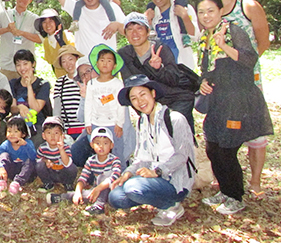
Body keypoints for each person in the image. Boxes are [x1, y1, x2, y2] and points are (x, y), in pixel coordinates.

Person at [196, 0, 273, 214]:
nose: (206, 16)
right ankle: (225, 190)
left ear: (221, 11)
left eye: (210, 10)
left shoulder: (233, 31)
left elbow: (250, 59)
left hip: (238, 98)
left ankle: (235, 196)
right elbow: (206, 69)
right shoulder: (205, 37)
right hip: (219, 99)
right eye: (201, 12)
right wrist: (203, 83)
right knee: (213, 146)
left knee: (228, 149)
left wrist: (225, 46)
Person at [207, 0, 270, 194]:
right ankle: (223, 178)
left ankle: (255, 181)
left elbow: (263, 42)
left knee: (255, 127)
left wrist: (243, 67)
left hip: (247, 77)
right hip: (221, 80)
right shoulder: (209, 10)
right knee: (222, 127)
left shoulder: (248, 6)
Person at [109, 75, 195, 227]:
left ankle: (171, 205)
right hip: (152, 178)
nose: (140, 101)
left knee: (132, 187)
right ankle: (151, 195)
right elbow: (141, 157)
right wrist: (128, 173)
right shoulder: (143, 121)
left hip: (174, 179)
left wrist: (158, 172)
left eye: (143, 94)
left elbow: (182, 155)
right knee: (116, 197)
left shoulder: (174, 119)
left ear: (153, 94)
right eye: (134, 98)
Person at [118, 12, 197, 133]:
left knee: (178, 137)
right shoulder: (124, 54)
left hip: (176, 99)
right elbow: (131, 87)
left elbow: (173, 80)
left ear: (148, 31)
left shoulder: (161, 49)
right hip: (151, 103)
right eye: (130, 29)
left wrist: (158, 69)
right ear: (125, 34)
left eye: (139, 28)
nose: (135, 33)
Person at [47, 127, 121, 216]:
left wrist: (98, 188)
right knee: (83, 194)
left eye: (105, 143)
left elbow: (114, 177)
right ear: (92, 145)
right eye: (97, 143)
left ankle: (99, 206)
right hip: (96, 190)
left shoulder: (115, 160)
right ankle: (61, 197)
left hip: (111, 192)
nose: (101, 146)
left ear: (111, 145)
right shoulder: (91, 160)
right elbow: (83, 177)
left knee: (103, 177)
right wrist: (78, 192)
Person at [84, 44, 132, 164]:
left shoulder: (117, 84)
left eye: (109, 60)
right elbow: (88, 103)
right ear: (97, 64)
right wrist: (88, 122)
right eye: (102, 60)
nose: (105, 63)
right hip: (96, 122)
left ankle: (119, 174)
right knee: (99, 151)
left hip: (113, 124)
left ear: (114, 65)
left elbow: (121, 105)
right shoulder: (92, 84)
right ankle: (100, 173)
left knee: (116, 151)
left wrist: (119, 123)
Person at [145, 0, 198, 68]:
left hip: (182, 62)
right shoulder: (151, 13)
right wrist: (145, 20)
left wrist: (185, 17)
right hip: (161, 65)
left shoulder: (184, 9)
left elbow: (195, 36)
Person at [0, 0, 41, 80]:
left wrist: (22, 33)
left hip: (26, 69)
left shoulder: (34, 19)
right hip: (7, 67)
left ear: (30, 0)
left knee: (27, 94)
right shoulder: (4, 15)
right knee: (5, 94)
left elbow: (40, 39)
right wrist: (7, 29)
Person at [9, 49, 51, 145]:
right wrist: (19, 107)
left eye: (25, 63)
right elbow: (12, 108)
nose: (22, 68)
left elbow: (35, 108)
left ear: (33, 64)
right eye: (18, 65)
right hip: (17, 126)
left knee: (33, 145)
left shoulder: (43, 84)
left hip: (37, 125)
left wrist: (29, 86)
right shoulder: (13, 83)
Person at [0, 116, 37, 195]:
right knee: (3, 155)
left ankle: (16, 184)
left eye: (16, 131)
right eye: (9, 131)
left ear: (23, 134)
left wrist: (26, 145)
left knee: (30, 161)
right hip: (10, 171)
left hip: (25, 173)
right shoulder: (6, 144)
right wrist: (0, 167)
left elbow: (34, 158)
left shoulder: (27, 143)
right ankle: (1, 182)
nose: (12, 134)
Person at [36, 117, 77, 193]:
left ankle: (68, 184)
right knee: (39, 165)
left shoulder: (65, 147)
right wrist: (46, 161)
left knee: (72, 168)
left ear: (62, 136)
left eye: (56, 133)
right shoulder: (42, 148)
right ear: (44, 136)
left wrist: (61, 149)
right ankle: (48, 183)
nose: (52, 136)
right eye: (49, 133)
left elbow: (67, 164)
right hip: (51, 172)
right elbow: (38, 159)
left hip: (63, 172)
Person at [52, 46, 85, 140]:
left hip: (85, 130)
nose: (68, 64)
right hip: (67, 132)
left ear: (77, 59)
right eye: (64, 61)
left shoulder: (85, 79)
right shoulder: (60, 82)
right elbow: (57, 108)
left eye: (71, 59)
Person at [34, 8, 75, 77]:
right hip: (61, 79)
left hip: (74, 76)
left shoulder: (66, 35)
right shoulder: (46, 41)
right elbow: (52, 63)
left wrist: (60, 41)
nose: (48, 25)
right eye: (44, 22)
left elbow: (74, 55)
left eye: (51, 21)